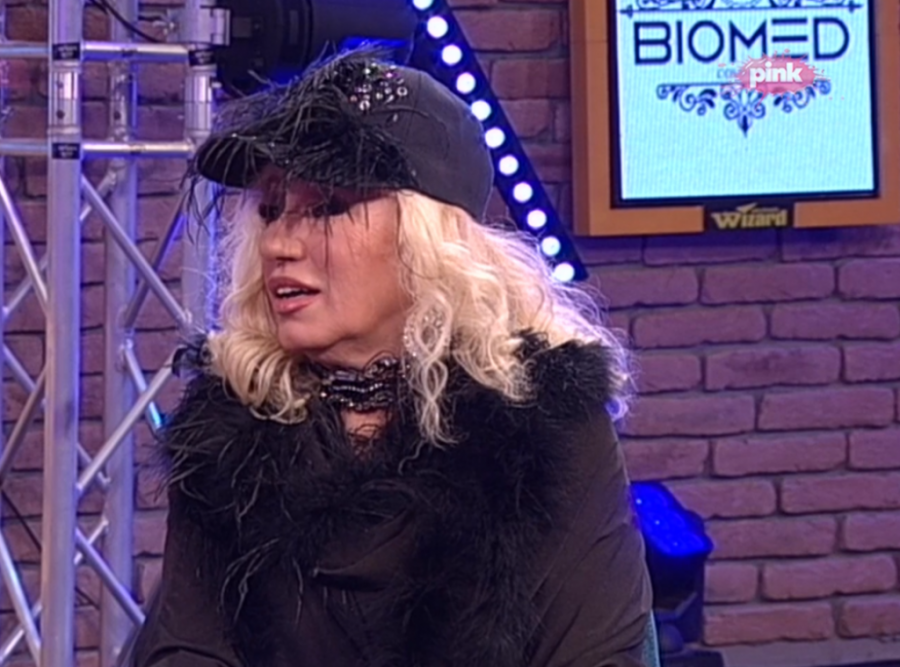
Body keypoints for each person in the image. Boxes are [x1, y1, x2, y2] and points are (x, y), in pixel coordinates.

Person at [131, 46, 653, 667]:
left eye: (327, 207)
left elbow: (599, 654)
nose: (279, 244)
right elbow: (186, 648)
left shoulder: (546, 422)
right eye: (271, 210)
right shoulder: (229, 425)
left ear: (425, 238)